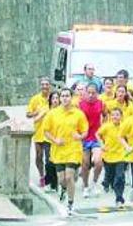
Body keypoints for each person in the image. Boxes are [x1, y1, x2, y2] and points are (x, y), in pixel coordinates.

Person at [44, 88, 88, 216]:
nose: (64, 98)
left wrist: (79, 137)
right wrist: (55, 140)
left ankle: (70, 203)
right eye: (62, 96)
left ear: (71, 97)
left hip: (73, 149)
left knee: (69, 177)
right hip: (58, 151)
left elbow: (85, 131)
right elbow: (46, 131)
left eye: (67, 96)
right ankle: (63, 188)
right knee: (62, 179)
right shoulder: (53, 114)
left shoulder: (78, 114)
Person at [78, 83, 105, 197]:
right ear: (84, 92)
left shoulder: (101, 103)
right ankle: (85, 186)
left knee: (98, 162)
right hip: (84, 137)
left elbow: (106, 115)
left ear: (97, 93)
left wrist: (103, 128)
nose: (90, 95)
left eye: (93, 93)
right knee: (85, 163)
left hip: (96, 137)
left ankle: (94, 182)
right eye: (88, 92)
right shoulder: (80, 105)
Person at [96, 107, 127, 208]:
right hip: (108, 156)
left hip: (121, 156)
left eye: (117, 115)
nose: (115, 117)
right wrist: (101, 145)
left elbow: (129, 137)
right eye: (113, 115)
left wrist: (128, 147)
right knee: (110, 176)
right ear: (110, 116)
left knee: (120, 177)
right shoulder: (106, 126)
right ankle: (106, 182)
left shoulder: (124, 126)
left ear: (121, 116)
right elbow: (97, 134)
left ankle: (119, 198)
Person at [26, 77, 52, 190]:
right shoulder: (35, 99)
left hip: (50, 133)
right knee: (38, 156)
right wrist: (36, 113)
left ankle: (49, 177)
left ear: (50, 86)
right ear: (40, 86)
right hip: (38, 133)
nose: (45, 86)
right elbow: (28, 114)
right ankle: (42, 176)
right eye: (43, 84)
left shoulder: (53, 98)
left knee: (49, 158)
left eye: (46, 84)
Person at [44, 90, 61, 193]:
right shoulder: (48, 112)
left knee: (57, 162)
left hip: (59, 141)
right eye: (53, 98)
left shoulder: (63, 111)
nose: (55, 100)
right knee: (49, 162)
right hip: (49, 140)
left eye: (57, 98)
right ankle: (48, 182)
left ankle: (55, 184)